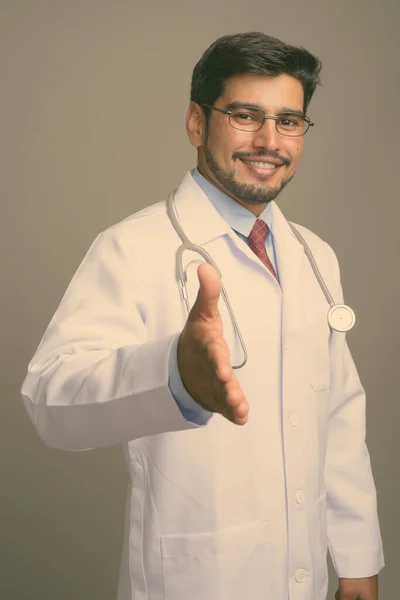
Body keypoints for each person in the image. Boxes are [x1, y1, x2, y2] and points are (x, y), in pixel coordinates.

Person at [21, 31, 384, 600]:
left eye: (289, 121)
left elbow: (338, 411)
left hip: (307, 575)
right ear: (197, 122)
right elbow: (49, 401)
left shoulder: (315, 255)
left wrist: (357, 557)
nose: (270, 140)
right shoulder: (132, 247)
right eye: (245, 115)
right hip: (198, 578)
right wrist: (173, 375)